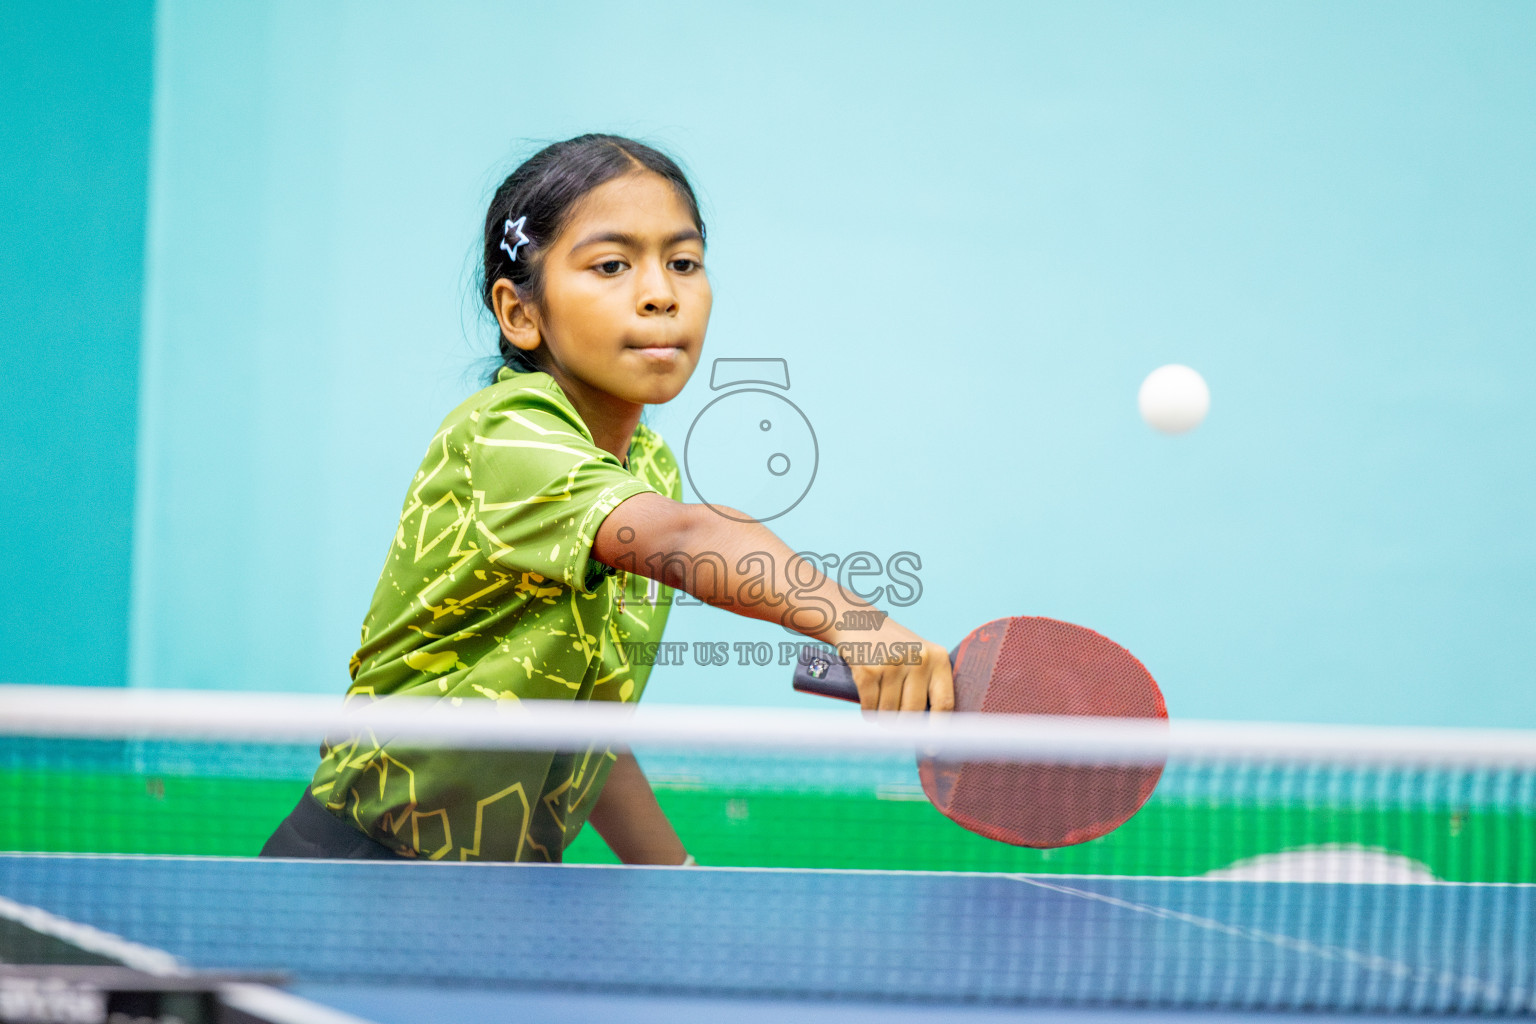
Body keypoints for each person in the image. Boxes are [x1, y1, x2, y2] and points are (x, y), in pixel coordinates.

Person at [261, 134, 953, 865]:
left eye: (683, 262)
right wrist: (856, 622)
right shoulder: (504, 437)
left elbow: (585, 716)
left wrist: (677, 876)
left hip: (501, 893)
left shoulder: (646, 466)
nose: (661, 293)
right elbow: (688, 539)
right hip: (358, 868)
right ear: (520, 313)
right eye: (612, 265)